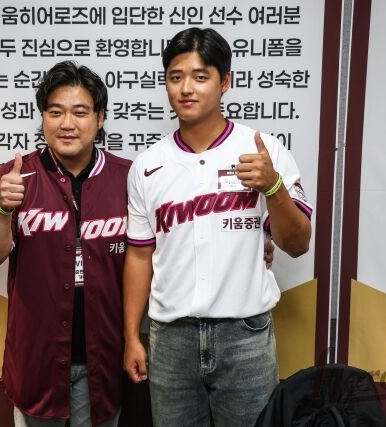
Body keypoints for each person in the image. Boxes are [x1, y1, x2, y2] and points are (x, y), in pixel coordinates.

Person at [123, 27, 313, 426]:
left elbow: (298, 244)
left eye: (200, 76)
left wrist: (273, 187)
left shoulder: (264, 151)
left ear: (224, 82)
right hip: (170, 338)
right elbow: (139, 256)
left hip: (243, 336)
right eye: (175, 77)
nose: (186, 88)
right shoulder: (147, 165)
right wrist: (130, 337)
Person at [0, 61, 130, 427]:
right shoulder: (14, 177)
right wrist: (2, 208)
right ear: (42, 117)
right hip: (37, 362)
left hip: (105, 360)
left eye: (80, 112)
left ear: (100, 118)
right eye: (55, 112)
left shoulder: (127, 177)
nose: (67, 123)